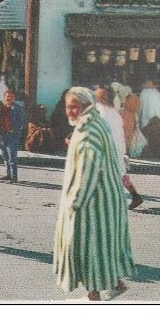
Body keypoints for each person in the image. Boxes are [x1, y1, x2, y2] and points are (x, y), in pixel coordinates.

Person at [53, 87, 134, 301]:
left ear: (85, 106)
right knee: (100, 247)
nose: (70, 111)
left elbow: (88, 170)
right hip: (105, 198)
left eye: (74, 107)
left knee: (89, 248)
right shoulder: (94, 123)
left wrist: (75, 201)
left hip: (94, 202)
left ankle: (94, 296)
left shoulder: (88, 131)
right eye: (67, 107)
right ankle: (112, 285)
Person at [94, 85, 144, 210]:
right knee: (121, 173)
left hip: (105, 147)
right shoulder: (114, 112)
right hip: (118, 146)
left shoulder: (99, 111)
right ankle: (134, 195)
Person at [0, 88, 26, 183]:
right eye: (7, 96)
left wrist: (14, 130)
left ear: (14, 98)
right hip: (2, 134)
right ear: (4, 97)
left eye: (11, 96)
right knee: (4, 155)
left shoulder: (18, 108)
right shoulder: (2, 107)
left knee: (12, 156)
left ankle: (14, 176)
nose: (9, 98)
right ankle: (8, 174)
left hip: (12, 135)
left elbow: (21, 122)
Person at [138, 79, 160, 157]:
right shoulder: (157, 93)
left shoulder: (143, 93)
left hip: (148, 121)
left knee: (150, 137)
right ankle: (157, 153)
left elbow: (140, 107)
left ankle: (151, 153)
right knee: (158, 137)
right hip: (159, 119)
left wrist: (138, 117)